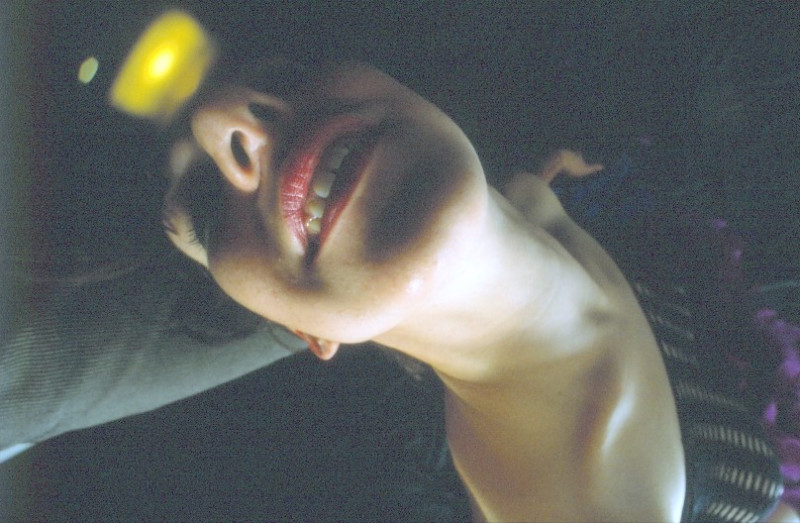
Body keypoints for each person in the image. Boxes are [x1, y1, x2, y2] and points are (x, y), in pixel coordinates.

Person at [159, 59, 792, 521]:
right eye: (207, 211)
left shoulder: (538, 197)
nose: (228, 115)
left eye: (281, 68)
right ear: (311, 332)